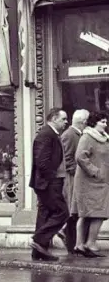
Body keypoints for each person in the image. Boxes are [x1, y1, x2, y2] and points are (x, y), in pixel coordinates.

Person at [30, 107, 69, 261]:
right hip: (48, 183)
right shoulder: (46, 134)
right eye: (63, 119)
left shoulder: (51, 134)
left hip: (47, 182)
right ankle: (39, 239)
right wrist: (52, 178)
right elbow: (42, 161)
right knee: (62, 212)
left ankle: (39, 252)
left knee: (45, 214)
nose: (66, 122)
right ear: (54, 119)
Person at [72, 110, 109, 258]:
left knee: (87, 214)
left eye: (106, 122)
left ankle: (79, 245)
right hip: (90, 181)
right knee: (98, 213)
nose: (105, 124)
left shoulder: (103, 138)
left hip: (98, 181)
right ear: (94, 123)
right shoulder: (87, 137)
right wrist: (95, 171)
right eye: (102, 121)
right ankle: (90, 244)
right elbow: (80, 156)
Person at [59, 109, 89, 254]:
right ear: (83, 122)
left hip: (76, 178)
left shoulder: (76, 134)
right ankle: (68, 238)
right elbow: (67, 158)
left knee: (76, 211)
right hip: (72, 179)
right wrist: (78, 173)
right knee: (73, 210)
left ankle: (72, 243)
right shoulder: (70, 135)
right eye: (87, 121)